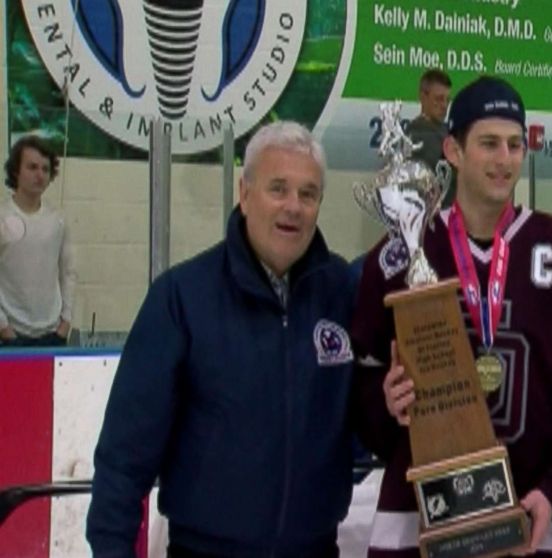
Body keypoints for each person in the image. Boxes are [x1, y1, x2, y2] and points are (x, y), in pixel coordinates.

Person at [352, 76, 552, 557]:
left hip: (531, 525)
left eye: (514, 144)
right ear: (453, 151)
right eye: (488, 144)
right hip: (420, 528)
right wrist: (386, 402)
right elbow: (360, 379)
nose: (504, 159)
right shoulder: (402, 256)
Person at [87, 121, 356, 558]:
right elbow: (124, 457)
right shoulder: (182, 297)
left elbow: (361, 419)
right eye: (278, 189)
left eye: (308, 194)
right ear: (244, 194)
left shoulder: (341, 292)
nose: (294, 207)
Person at [0, 135, 76, 347]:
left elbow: (68, 273)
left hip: (53, 335)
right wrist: (4, 327)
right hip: (10, 337)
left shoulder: (58, 220)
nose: (39, 175)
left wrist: (65, 323)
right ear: (16, 171)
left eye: (45, 168)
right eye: (32, 167)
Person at [406, 68, 455, 207]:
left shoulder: (451, 132)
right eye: (438, 99)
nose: (444, 105)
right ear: (423, 97)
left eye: (447, 100)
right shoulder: (415, 136)